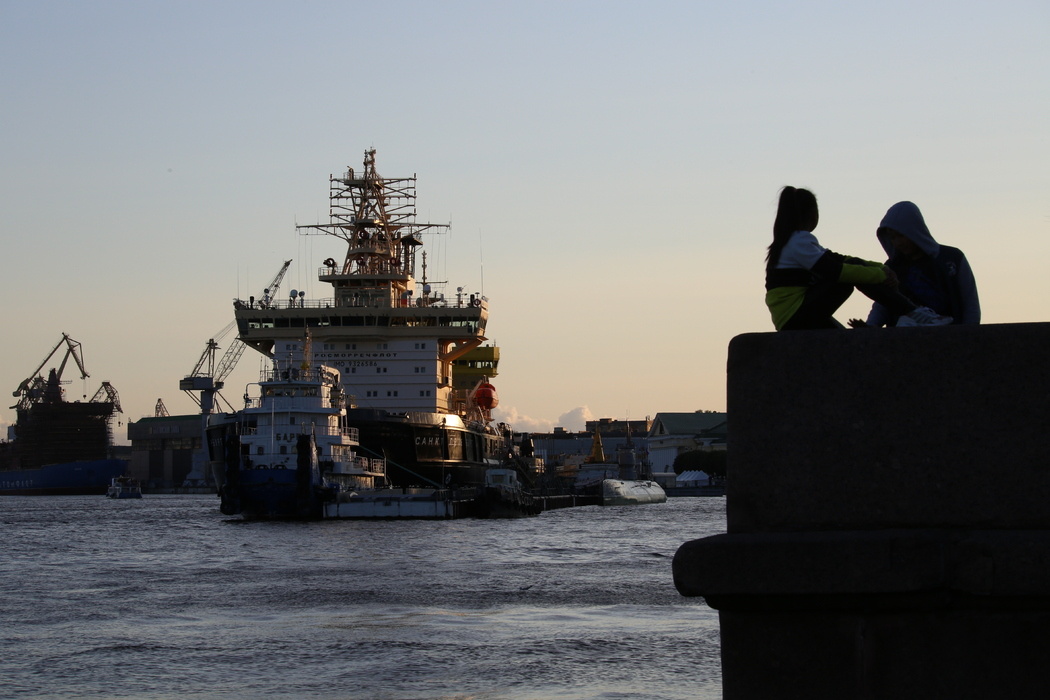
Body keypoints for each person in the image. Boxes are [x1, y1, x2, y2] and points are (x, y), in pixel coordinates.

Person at [765, 187, 951, 331]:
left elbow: (840, 259)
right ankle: (912, 312)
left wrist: (881, 267)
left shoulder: (792, 242)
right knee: (847, 277)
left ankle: (911, 313)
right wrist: (880, 275)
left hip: (794, 316)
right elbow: (836, 271)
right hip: (795, 316)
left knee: (844, 336)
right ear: (812, 214)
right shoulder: (798, 241)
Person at [859, 201, 980, 327]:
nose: (898, 243)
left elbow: (970, 301)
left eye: (901, 235)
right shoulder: (893, 266)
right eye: (892, 237)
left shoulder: (952, 258)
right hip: (903, 336)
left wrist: (969, 333)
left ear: (914, 231)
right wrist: (870, 327)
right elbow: (883, 302)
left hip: (949, 332)